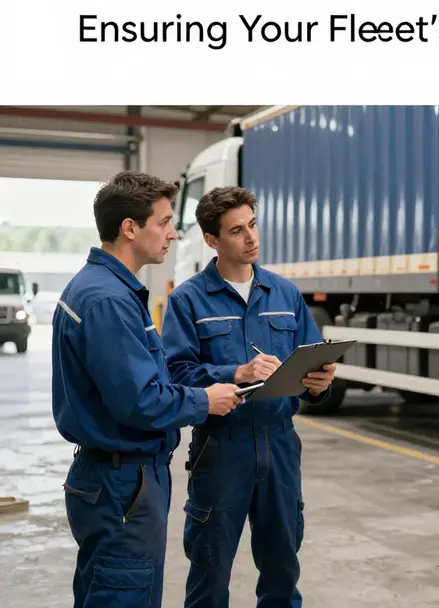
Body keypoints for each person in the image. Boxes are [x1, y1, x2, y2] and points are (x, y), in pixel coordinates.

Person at [51, 171, 243, 608]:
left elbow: (144, 380)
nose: (174, 234)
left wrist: (224, 376)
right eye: (164, 222)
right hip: (124, 482)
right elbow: (140, 400)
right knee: (124, 593)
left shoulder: (104, 290)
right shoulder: (109, 301)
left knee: (111, 588)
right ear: (130, 228)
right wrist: (206, 400)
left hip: (117, 478)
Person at [161, 185, 336, 608]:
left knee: (281, 569)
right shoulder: (188, 300)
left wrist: (320, 383)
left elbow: (311, 362)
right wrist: (235, 373)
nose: (251, 237)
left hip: (279, 445)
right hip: (222, 448)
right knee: (210, 570)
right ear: (211, 240)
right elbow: (175, 373)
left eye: (253, 225)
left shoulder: (285, 294)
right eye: (237, 230)